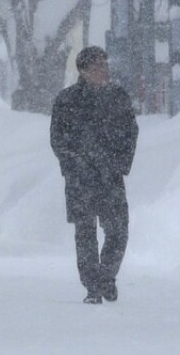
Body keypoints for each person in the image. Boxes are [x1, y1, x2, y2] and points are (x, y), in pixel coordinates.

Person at [50, 46, 138, 304]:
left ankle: (106, 276)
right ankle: (92, 286)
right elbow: (57, 138)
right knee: (85, 232)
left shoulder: (118, 97)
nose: (104, 70)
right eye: (98, 66)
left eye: (105, 65)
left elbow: (131, 131)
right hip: (80, 178)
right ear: (84, 70)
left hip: (110, 176)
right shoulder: (67, 100)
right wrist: (73, 164)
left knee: (118, 230)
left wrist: (120, 163)